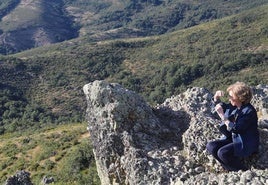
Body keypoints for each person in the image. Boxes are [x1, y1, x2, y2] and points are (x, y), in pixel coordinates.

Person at [206, 82, 259, 171]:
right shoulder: (234, 106)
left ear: (240, 98)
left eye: (231, 97)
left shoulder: (249, 112)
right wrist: (216, 98)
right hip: (234, 138)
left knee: (223, 153)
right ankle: (229, 168)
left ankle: (243, 171)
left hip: (245, 141)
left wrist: (223, 117)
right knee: (211, 146)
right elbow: (220, 108)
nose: (229, 99)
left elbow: (237, 129)